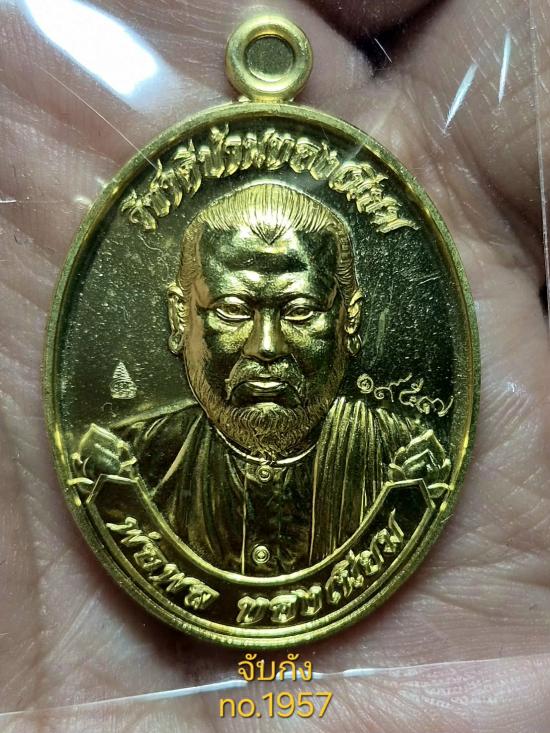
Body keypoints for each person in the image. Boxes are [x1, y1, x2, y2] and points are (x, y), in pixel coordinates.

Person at [76, 181, 450, 575]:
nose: (266, 347)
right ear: (180, 317)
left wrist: (411, 496)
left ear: (350, 319)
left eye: (301, 311)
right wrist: (113, 494)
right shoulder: (130, 466)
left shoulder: (407, 464)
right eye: (232, 310)